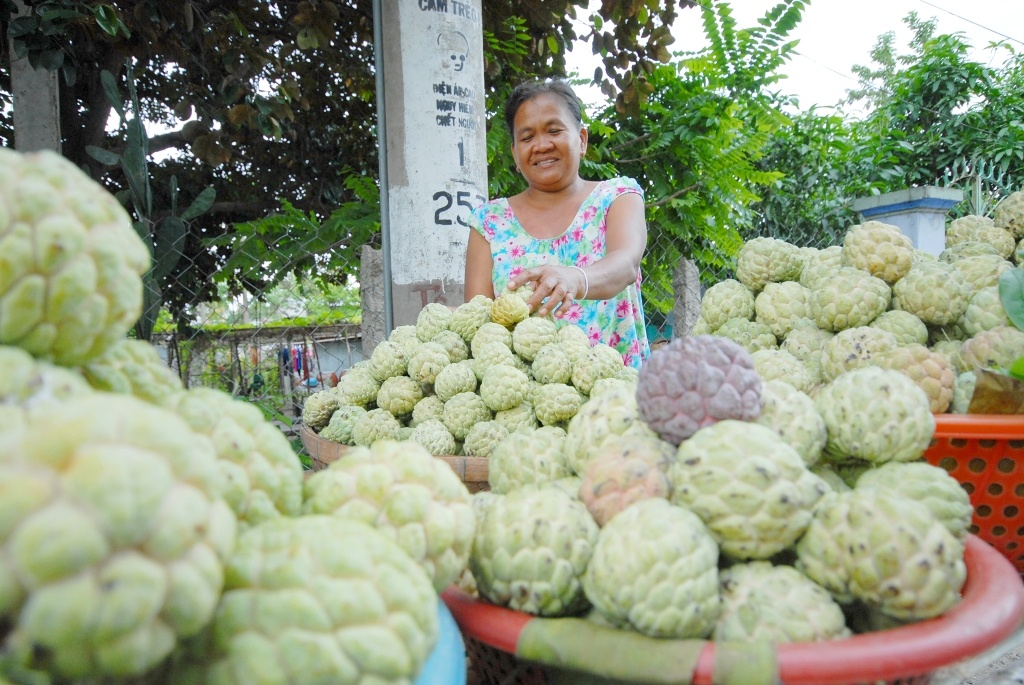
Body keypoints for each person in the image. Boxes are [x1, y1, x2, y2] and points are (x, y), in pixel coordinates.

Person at [464, 78, 651, 368]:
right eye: (527, 138)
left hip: (618, 396)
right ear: (515, 153)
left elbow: (626, 263)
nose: (541, 145)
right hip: (526, 404)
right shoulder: (489, 223)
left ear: (582, 139)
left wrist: (575, 279)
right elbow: (479, 322)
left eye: (554, 130)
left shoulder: (617, 197)